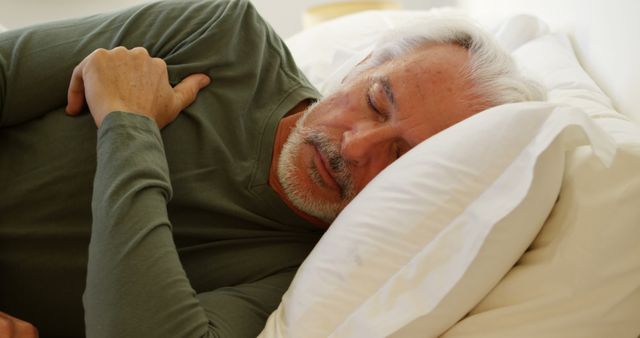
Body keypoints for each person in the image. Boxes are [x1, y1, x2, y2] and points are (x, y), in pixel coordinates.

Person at [0, 0, 543, 337]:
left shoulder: (308, 280)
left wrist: (127, 122)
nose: (356, 149)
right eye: (377, 101)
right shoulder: (222, 36)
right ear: (361, 66)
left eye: (403, 158)